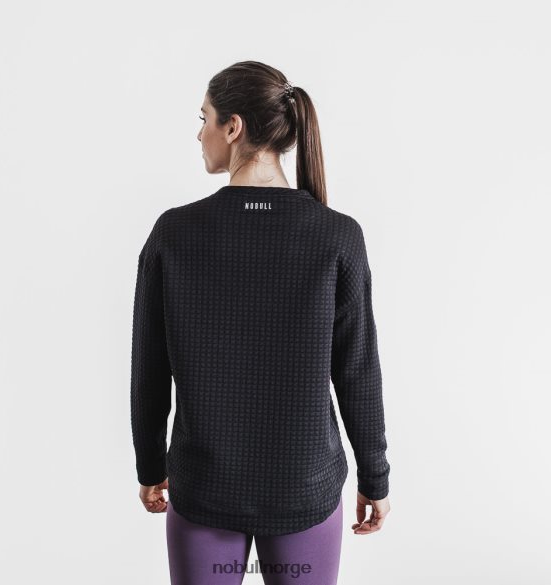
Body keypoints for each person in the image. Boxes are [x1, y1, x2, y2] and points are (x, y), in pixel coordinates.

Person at [130, 60, 392, 585]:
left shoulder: (174, 234)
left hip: (204, 487)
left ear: (233, 127)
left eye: (204, 118)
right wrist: (375, 476)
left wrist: (150, 466)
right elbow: (357, 370)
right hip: (305, 487)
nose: (199, 133)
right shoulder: (337, 235)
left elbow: (149, 369)